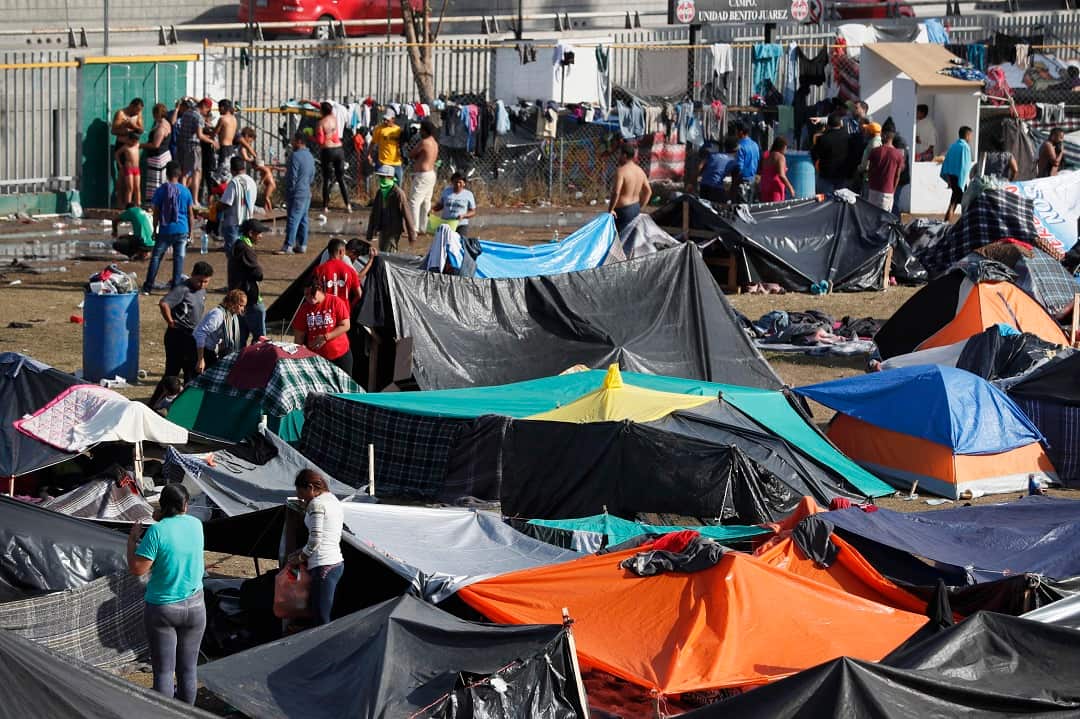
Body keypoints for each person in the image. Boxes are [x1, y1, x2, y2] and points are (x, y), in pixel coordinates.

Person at [126, 483, 205, 705]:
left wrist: (132, 541)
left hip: (164, 608)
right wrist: (162, 515)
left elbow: (137, 569)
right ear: (185, 504)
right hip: (196, 606)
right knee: (188, 670)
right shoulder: (197, 525)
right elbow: (177, 528)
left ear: (162, 506)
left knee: (163, 672)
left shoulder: (156, 532)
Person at [287, 469, 343, 626]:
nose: (299, 497)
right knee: (324, 613)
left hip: (323, 566)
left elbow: (315, 540)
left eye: (301, 492)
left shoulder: (316, 505)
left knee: (321, 619)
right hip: (335, 563)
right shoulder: (332, 499)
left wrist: (299, 558)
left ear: (310, 488)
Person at [144, 162, 195, 294]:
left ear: (166, 174)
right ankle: (175, 289)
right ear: (179, 174)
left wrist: (155, 229)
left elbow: (156, 213)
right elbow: (190, 214)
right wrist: (191, 232)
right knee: (179, 259)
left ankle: (148, 287)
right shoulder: (186, 191)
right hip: (182, 229)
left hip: (165, 229)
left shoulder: (161, 190)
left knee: (156, 257)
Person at [159, 261, 213, 383]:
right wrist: (170, 321)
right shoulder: (182, 289)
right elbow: (164, 304)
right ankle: (159, 400)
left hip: (192, 335)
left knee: (191, 371)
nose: (202, 284)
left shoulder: (202, 291)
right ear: (192, 275)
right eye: (199, 280)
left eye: (206, 281)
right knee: (172, 372)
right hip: (178, 335)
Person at [292, 276, 353, 374]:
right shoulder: (304, 309)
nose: (309, 297)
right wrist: (296, 355)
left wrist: (325, 337)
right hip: (318, 359)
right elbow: (299, 336)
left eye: (312, 293)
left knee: (343, 388)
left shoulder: (335, 302)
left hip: (340, 355)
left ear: (320, 289)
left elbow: (346, 325)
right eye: (306, 295)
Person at [229, 218, 268, 346]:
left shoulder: (238, 244)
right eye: (259, 233)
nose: (261, 236)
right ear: (251, 233)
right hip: (249, 298)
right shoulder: (245, 248)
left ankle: (240, 363)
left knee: (239, 338)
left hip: (239, 297)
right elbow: (258, 273)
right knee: (260, 340)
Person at [193, 289, 246, 374]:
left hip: (210, 350)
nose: (243, 309)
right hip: (200, 350)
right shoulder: (218, 314)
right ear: (232, 303)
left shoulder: (231, 316)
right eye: (241, 305)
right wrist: (200, 360)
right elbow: (200, 334)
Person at [366, 164, 416, 252]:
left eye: (383, 177)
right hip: (382, 228)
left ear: (390, 177)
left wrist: (412, 235)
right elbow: (374, 213)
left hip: (393, 230)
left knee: (389, 252)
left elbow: (407, 215)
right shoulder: (380, 193)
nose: (381, 180)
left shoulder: (398, 193)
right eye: (380, 177)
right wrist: (370, 232)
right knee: (383, 249)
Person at [176, 98, 217, 204]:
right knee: (196, 172)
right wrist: (212, 141)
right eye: (207, 110)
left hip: (182, 145)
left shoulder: (187, 113)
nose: (206, 113)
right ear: (205, 107)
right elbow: (200, 135)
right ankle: (194, 200)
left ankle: (182, 199)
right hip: (194, 146)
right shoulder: (198, 117)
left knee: (184, 173)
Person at [280, 132, 315, 254]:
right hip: (306, 191)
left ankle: (288, 245)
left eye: (294, 140)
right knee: (303, 219)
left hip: (297, 192)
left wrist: (288, 192)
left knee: (293, 219)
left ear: (299, 141)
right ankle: (302, 245)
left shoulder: (295, 156)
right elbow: (312, 176)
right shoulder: (310, 156)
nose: (292, 143)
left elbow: (292, 177)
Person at [607, 144, 652, 233]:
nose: (617, 156)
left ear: (624, 155)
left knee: (619, 238)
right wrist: (640, 207)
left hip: (622, 211)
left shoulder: (621, 171)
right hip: (635, 207)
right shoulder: (640, 170)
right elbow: (648, 191)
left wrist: (611, 209)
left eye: (619, 154)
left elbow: (616, 192)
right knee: (630, 238)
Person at [219, 156, 257, 256]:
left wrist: (215, 209)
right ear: (244, 168)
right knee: (245, 252)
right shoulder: (252, 181)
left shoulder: (234, 182)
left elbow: (226, 203)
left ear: (232, 169)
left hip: (234, 223)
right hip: (248, 222)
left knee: (233, 254)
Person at [316, 101, 350, 212]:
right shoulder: (334, 118)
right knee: (340, 179)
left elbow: (321, 141)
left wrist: (311, 137)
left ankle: (325, 206)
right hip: (339, 150)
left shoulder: (321, 123)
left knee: (327, 179)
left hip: (328, 150)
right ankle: (348, 205)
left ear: (322, 111)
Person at [407, 119, 438, 232]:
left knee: (414, 201)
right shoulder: (434, 142)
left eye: (421, 130)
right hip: (431, 174)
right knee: (426, 202)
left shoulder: (424, 142)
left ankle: (414, 228)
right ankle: (423, 227)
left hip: (423, 175)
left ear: (425, 131)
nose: (420, 133)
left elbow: (411, 154)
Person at [237, 127, 276, 214]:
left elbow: (267, 170)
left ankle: (267, 210)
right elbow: (246, 158)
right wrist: (254, 160)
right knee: (265, 197)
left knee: (265, 197)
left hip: (270, 183)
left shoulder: (243, 146)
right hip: (238, 167)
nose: (250, 143)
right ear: (247, 136)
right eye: (250, 141)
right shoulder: (242, 147)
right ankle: (266, 210)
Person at [314, 237, 362, 305]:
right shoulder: (350, 270)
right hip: (344, 309)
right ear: (341, 251)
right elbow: (359, 294)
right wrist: (349, 307)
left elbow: (315, 292)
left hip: (325, 309)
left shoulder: (319, 269)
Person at [867, 130, 905, 213]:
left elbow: (869, 169)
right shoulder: (898, 155)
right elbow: (897, 175)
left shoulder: (875, 151)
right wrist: (893, 190)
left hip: (873, 188)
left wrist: (870, 183)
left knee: (871, 215)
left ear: (884, 137)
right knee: (884, 218)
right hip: (887, 190)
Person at [941, 126, 974, 222]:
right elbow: (965, 166)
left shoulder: (953, 146)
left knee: (953, 202)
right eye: (971, 136)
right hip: (960, 179)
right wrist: (962, 183)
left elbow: (946, 163)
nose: (971, 138)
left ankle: (946, 223)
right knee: (964, 204)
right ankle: (962, 224)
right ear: (967, 135)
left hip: (952, 178)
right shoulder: (965, 147)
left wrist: (948, 180)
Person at [811, 113, 850, 194]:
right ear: (840, 123)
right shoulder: (848, 137)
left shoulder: (823, 138)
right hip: (842, 174)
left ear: (828, 124)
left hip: (826, 174)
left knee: (824, 202)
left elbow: (814, 154)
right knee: (841, 200)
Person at [142, 103, 173, 200]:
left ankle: (155, 205)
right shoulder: (166, 123)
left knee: (156, 184)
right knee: (163, 181)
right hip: (165, 155)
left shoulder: (161, 127)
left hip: (158, 158)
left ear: (157, 113)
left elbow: (155, 145)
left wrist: (139, 145)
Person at [433, 172, 477, 240]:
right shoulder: (446, 192)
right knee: (445, 242)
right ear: (452, 182)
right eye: (456, 182)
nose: (458, 184)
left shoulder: (468, 194)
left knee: (460, 243)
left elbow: (473, 211)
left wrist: (464, 216)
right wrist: (432, 210)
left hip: (461, 225)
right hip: (446, 223)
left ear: (464, 183)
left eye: (460, 182)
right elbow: (440, 205)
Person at [368, 107, 404, 185]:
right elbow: (373, 142)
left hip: (397, 162)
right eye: (384, 119)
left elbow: (403, 144)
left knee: (398, 186)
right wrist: (369, 154)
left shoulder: (398, 130)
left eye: (387, 119)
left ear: (393, 119)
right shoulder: (379, 129)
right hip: (384, 162)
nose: (385, 121)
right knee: (386, 186)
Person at [697, 139, 737, 204]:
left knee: (703, 208)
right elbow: (734, 182)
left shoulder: (713, 155)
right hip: (716, 188)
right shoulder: (733, 162)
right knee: (719, 209)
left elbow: (701, 168)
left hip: (704, 186)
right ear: (736, 151)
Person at [758, 138, 796, 202]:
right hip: (775, 188)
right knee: (776, 209)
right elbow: (782, 175)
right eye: (785, 148)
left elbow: (765, 170)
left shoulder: (766, 155)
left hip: (764, 186)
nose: (785, 151)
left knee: (766, 209)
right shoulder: (780, 157)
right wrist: (790, 188)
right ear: (782, 147)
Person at [734, 124, 760, 203]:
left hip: (743, 180)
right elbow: (758, 159)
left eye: (736, 131)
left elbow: (739, 166)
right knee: (749, 205)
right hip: (752, 179)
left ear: (741, 132)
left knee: (741, 207)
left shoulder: (740, 146)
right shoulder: (755, 144)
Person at [115, 132, 142, 208]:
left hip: (136, 169)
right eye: (132, 141)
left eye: (136, 141)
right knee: (130, 187)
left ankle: (138, 205)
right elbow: (117, 154)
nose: (134, 143)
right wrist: (120, 164)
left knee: (137, 187)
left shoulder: (137, 145)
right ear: (129, 140)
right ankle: (128, 205)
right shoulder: (125, 147)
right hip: (129, 168)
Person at [855, 122, 882, 191]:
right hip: (874, 177)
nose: (865, 132)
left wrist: (859, 169)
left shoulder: (873, 144)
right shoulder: (879, 141)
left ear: (871, 132)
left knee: (866, 199)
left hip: (868, 178)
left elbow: (866, 164)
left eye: (867, 130)